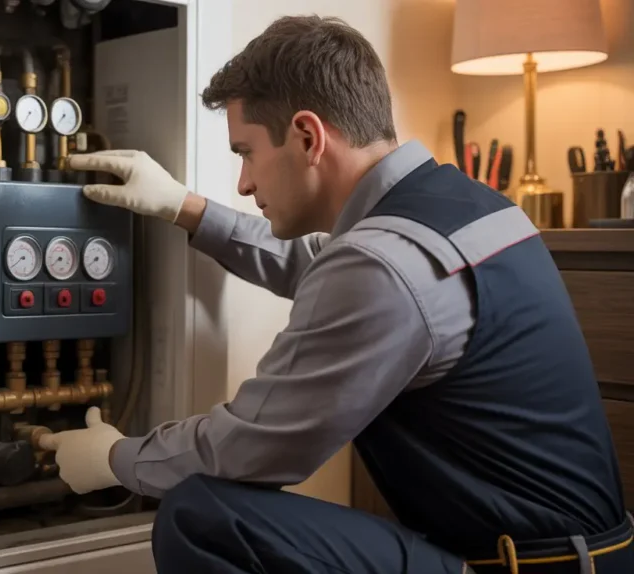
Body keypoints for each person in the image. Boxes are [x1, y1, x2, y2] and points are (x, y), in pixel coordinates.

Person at [37, 15, 633, 574]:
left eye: (245, 153)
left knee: (204, 517)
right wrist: (184, 206)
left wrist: (115, 459)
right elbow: (322, 267)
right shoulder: (464, 208)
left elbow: (250, 446)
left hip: (530, 565)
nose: (243, 183)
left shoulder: (381, 265)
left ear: (306, 136)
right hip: (583, 550)